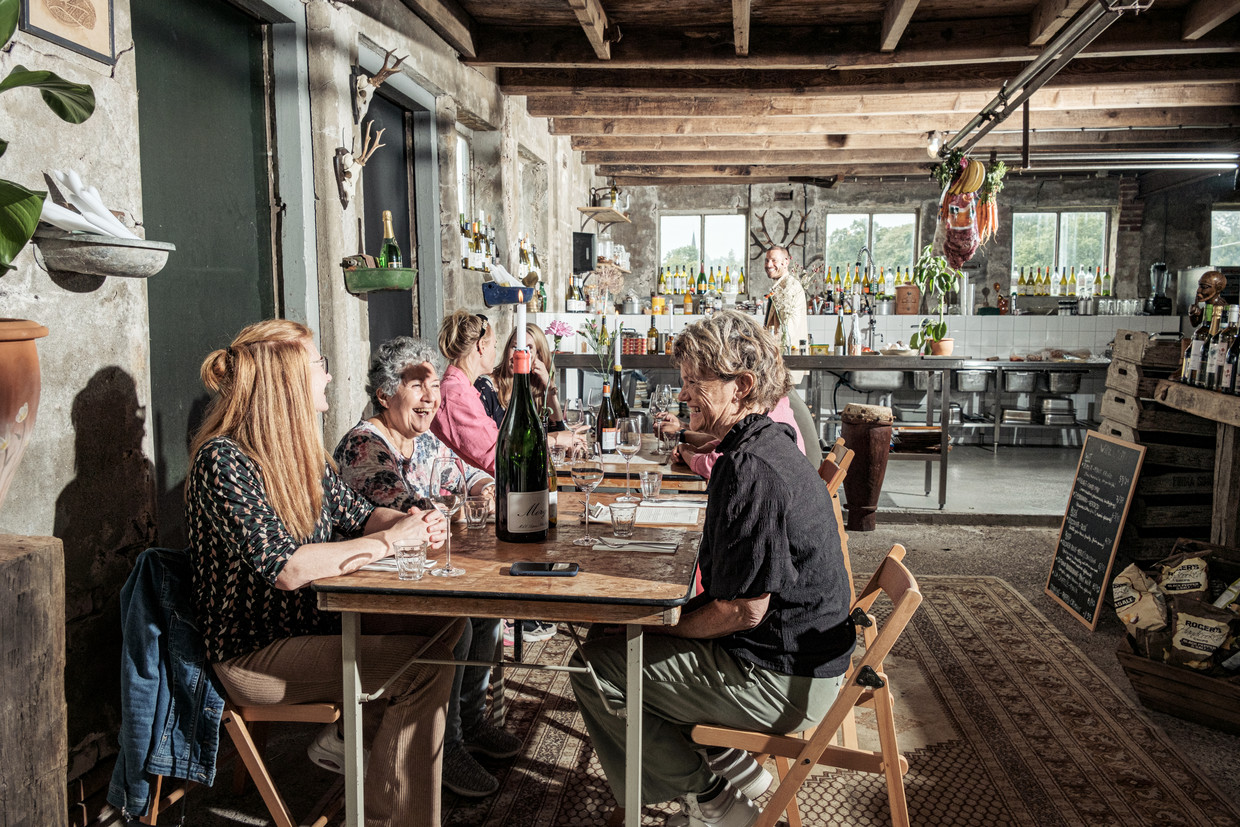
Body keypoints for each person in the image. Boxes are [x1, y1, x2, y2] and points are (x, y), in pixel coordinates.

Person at [569, 310, 855, 827]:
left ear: (741, 386)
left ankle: (712, 801)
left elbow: (742, 611)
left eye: (694, 382)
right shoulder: (766, 443)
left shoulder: (750, 469)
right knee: (619, 636)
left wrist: (661, 627)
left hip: (784, 682)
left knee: (594, 666)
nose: (683, 395)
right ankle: (722, 766)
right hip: (800, 659)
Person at [185, 319, 462, 827]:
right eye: (321, 365)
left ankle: (362, 750)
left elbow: (360, 515)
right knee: (425, 668)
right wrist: (389, 542)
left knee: (445, 622)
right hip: (254, 654)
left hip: (314, 628)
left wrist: (410, 521)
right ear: (287, 379)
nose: (330, 376)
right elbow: (287, 568)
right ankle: (388, 815)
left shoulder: (300, 455)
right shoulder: (222, 461)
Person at [333, 336, 522, 797]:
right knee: (458, 622)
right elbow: (411, 514)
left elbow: (469, 474)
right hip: (370, 587)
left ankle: (470, 723)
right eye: (416, 385)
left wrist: (480, 489)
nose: (430, 397)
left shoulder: (423, 441)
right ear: (384, 394)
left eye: (434, 385)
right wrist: (454, 507)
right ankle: (445, 745)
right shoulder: (364, 446)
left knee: (485, 610)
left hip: (421, 569)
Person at [475, 322, 585, 645]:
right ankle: (517, 608)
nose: (519, 353)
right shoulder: (487, 388)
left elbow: (560, 433)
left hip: (528, 492)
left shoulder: (536, 393)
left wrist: (549, 390)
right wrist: (558, 439)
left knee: (551, 515)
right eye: (515, 346)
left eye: (529, 349)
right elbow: (499, 445)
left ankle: (533, 602)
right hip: (499, 486)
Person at [652, 394, 807, 481]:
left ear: (743, 384)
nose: (683, 395)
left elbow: (715, 466)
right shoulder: (775, 404)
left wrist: (685, 448)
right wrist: (686, 435)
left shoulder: (765, 422)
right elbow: (730, 439)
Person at [432, 310, 500, 475]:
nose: (495, 352)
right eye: (494, 346)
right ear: (481, 346)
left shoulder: (462, 389)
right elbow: (497, 455)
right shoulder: (457, 395)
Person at [762, 246, 808, 382]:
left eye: (774, 260)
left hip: (784, 361)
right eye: (767, 260)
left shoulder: (790, 287)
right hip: (777, 360)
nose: (769, 265)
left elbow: (788, 329)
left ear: (786, 262)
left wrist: (765, 347)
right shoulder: (780, 286)